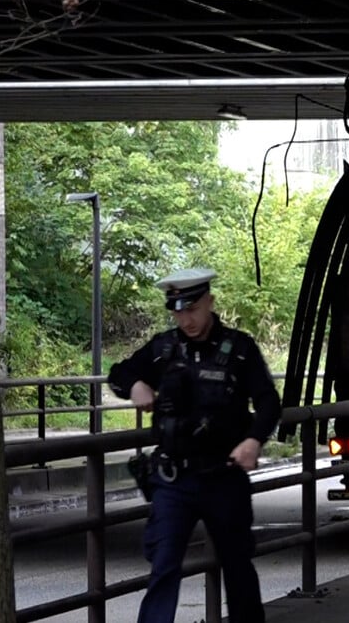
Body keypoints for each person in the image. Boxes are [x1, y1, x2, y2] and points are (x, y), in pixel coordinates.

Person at [107, 267, 282, 623]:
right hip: (174, 480)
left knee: (237, 567)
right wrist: (135, 385)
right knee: (164, 566)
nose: (185, 318)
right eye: (177, 311)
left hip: (224, 477)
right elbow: (119, 373)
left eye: (192, 309)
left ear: (210, 302)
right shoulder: (164, 349)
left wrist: (253, 441)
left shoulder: (240, 349)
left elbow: (269, 403)